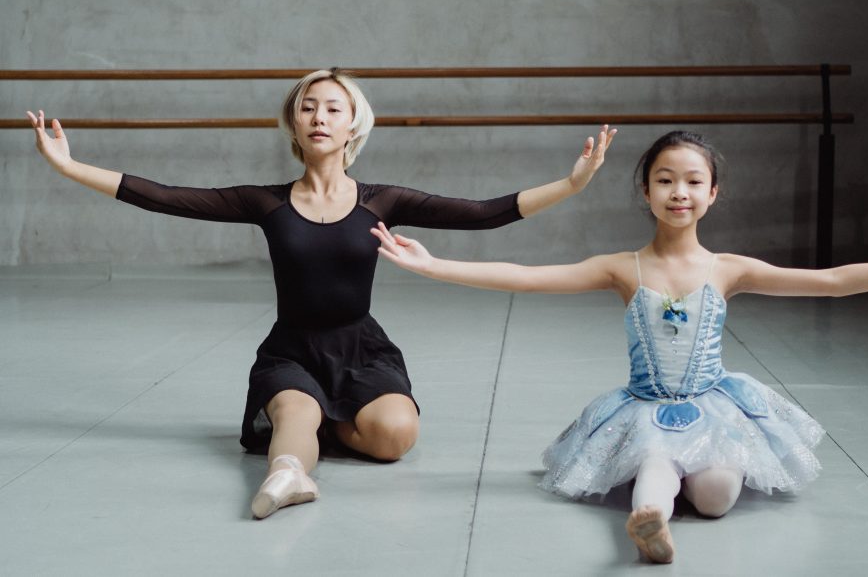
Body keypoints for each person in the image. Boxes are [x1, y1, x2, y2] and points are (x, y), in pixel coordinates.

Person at [26, 67, 617, 520]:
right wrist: (70, 166)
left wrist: (570, 184)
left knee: (396, 437)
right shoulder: (266, 202)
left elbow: (483, 213)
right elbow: (166, 195)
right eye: (307, 107)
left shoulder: (381, 201)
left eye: (333, 108)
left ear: (353, 124)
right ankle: (288, 473)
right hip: (293, 351)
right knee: (294, 412)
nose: (319, 116)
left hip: (362, 349)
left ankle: (325, 427)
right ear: (294, 125)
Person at [371, 129, 868, 564]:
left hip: (713, 405)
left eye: (692, 181)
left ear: (713, 194)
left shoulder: (729, 269)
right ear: (646, 192)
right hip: (644, 407)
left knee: (714, 498)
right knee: (656, 464)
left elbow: (833, 281)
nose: (678, 191)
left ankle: (674, 501)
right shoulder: (622, 267)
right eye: (665, 180)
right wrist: (435, 265)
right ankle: (650, 523)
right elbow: (527, 276)